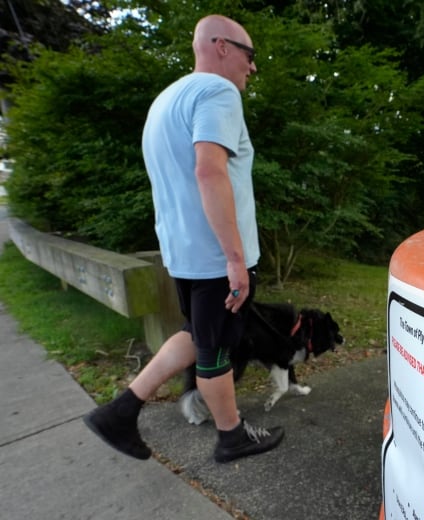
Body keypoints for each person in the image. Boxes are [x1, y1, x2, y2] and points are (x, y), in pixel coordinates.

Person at [83, 14, 284, 463]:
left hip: (183, 252)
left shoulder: (166, 99)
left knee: (197, 333)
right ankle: (231, 436)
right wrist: (235, 258)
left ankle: (121, 410)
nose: (252, 68)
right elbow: (208, 170)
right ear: (221, 46)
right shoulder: (218, 91)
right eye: (249, 56)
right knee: (215, 348)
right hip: (215, 256)